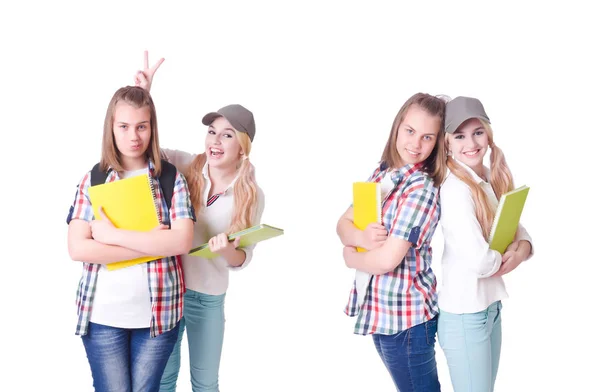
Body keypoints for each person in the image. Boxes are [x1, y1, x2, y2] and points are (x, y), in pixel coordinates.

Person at [134, 52, 265, 392]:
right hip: (170, 289)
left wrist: (226, 250)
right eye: (212, 132)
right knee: (163, 378)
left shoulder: (251, 194)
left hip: (208, 296)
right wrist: (146, 96)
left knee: (205, 382)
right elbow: (148, 147)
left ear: (243, 146)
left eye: (227, 135)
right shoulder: (184, 166)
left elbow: (243, 258)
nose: (215, 141)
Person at [66, 85, 196, 392]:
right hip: (102, 316)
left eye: (142, 126)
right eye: (124, 126)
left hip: (158, 316)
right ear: (111, 127)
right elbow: (77, 248)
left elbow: (181, 243)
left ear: (152, 128)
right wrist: (152, 244)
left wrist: (111, 237)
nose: (133, 136)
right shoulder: (94, 178)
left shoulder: (169, 178)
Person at [336, 92, 446, 392]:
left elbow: (387, 260)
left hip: (407, 321)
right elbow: (343, 223)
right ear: (397, 127)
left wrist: (350, 256)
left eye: (427, 137)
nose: (415, 143)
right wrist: (359, 237)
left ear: (438, 142)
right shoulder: (384, 173)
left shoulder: (421, 188)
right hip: (381, 314)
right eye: (410, 131)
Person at [437, 96, 534, 392]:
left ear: (488, 135)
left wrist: (521, 249)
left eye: (477, 132)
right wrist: (511, 254)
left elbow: (518, 230)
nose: (471, 143)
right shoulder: (455, 189)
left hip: (489, 308)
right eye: (460, 136)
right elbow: (481, 262)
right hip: (466, 315)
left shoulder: (488, 177)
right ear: (447, 143)